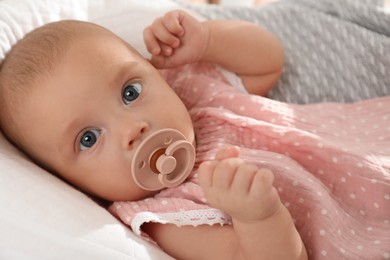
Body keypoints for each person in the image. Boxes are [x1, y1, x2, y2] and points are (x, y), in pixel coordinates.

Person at [0, 9, 307, 260]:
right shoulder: (165, 220)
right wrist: (256, 217)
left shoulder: (190, 93)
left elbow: (267, 64)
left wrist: (208, 40)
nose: (133, 128)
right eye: (88, 138)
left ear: (153, 72)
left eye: (130, 92)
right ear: (72, 184)